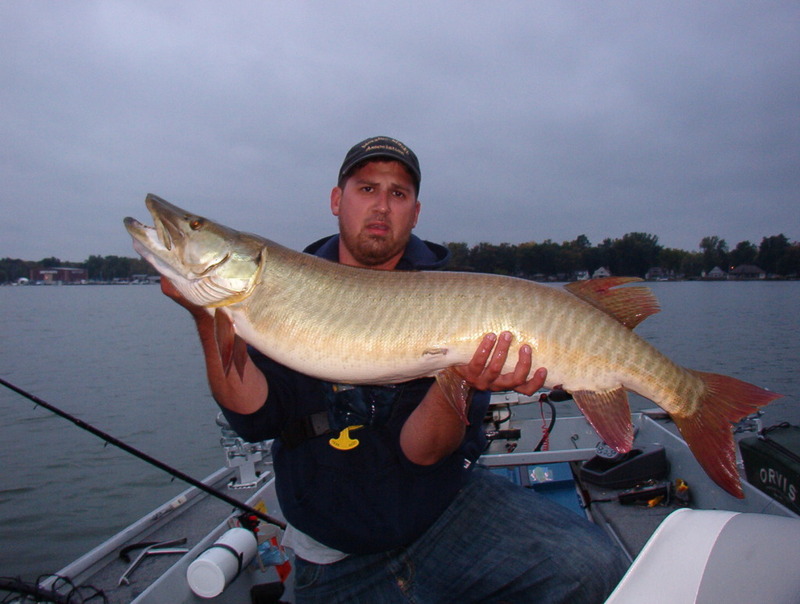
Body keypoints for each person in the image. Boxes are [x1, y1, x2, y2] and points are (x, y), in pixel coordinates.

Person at [163, 136, 628, 602]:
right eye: (367, 189)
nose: (382, 206)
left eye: (398, 193)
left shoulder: (453, 295)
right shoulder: (282, 290)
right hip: (334, 556)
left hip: (444, 516)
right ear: (336, 200)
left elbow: (423, 451)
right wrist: (207, 318)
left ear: (416, 212)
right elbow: (253, 417)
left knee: (593, 566)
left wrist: (461, 379)